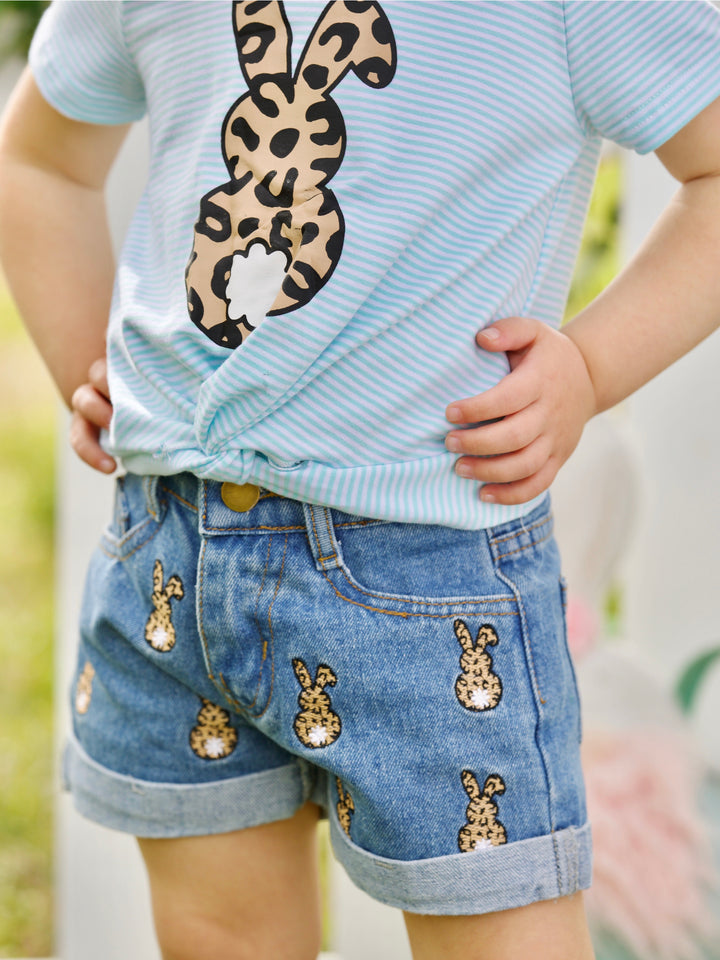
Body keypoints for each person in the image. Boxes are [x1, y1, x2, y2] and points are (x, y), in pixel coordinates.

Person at [1, 2, 720, 958]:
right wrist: (84, 366)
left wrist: (591, 366)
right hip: (171, 553)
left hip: (432, 575)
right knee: (221, 938)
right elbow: (39, 158)